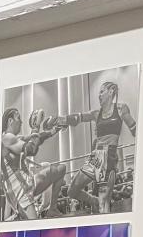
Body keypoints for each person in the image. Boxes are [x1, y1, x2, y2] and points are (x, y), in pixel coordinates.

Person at [55, 81, 137, 215]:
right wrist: (60, 120)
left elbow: (134, 129)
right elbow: (79, 118)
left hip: (109, 157)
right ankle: (93, 200)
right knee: (71, 191)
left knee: (104, 205)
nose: (99, 95)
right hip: (95, 157)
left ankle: (103, 213)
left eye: (101, 91)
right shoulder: (96, 113)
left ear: (111, 92)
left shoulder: (121, 108)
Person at [0, 107, 67, 221]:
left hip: (28, 182)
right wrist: (36, 127)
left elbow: (38, 138)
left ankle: (52, 209)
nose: (21, 122)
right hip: (19, 190)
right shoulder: (7, 138)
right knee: (33, 225)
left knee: (61, 169)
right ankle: (15, 218)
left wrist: (55, 129)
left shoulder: (13, 138)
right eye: (18, 118)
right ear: (10, 121)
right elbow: (31, 149)